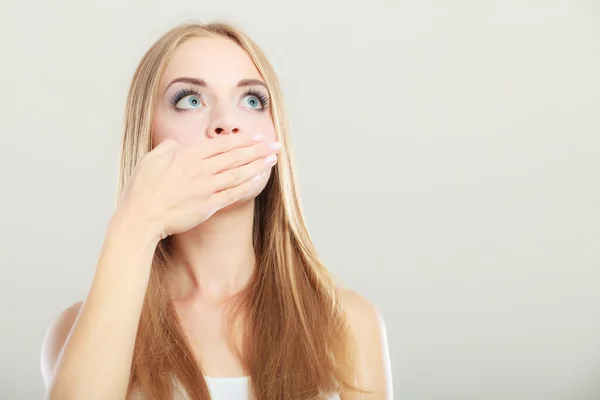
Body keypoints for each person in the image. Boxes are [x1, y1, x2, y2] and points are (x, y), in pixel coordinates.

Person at [40, 21, 393, 400]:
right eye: (191, 100)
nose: (227, 123)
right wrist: (133, 226)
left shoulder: (347, 324)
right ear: (148, 135)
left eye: (252, 100)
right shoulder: (76, 331)